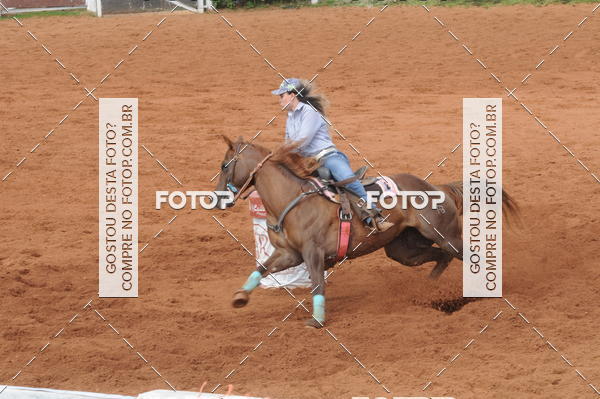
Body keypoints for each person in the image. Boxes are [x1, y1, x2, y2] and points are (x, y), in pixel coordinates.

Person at [271, 78, 393, 233]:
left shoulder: (310, 112)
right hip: (305, 161)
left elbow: (303, 139)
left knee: (348, 179)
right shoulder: (290, 117)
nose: (279, 100)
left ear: (293, 95)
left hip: (328, 158)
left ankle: (374, 216)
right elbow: (288, 142)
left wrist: (284, 152)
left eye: (282, 96)